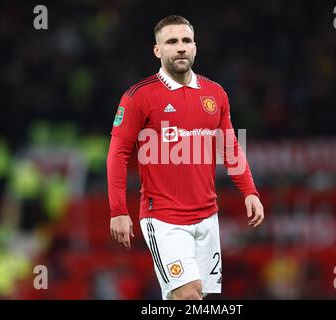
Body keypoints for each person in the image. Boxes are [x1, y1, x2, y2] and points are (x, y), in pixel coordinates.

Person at [107, 15, 264, 300]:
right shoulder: (138, 96)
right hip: (164, 218)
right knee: (188, 295)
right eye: (171, 42)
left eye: (186, 40)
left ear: (195, 47)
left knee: (198, 299)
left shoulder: (215, 93)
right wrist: (118, 210)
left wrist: (249, 191)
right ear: (158, 50)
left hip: (207, 216)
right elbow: (117, 153)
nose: (180, 47)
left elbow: (229, 145)